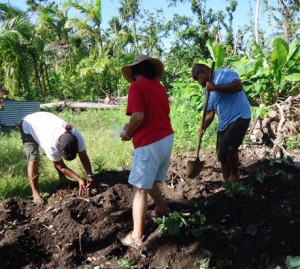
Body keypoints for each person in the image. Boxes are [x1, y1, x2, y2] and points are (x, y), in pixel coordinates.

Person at [119, 55, 174, 248]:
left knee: (139, 188)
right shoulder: (159, 88)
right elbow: (151, 114)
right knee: (149, 180)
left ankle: (136, 236)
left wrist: (127, 133)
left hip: (149, 142)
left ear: (135, 73)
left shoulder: (136, 86)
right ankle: (162, 207)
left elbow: (139, 116)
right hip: (166, 138)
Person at [192, 63, 251, 183]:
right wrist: (203, 126)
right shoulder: (207, 91)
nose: (200, 83)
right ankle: (227, 180)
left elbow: (238, 86)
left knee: (228, 145)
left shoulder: (225, 74)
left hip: (239, 116)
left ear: (203, 71)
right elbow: (210, 113)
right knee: (221, 154)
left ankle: (235, 175)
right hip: (224, 122)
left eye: (198, 79)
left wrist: (215, 88)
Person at [20, 111, 95, 203]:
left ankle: (63, 179)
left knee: (54, 157)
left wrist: (90, 175)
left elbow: (83, 157)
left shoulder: (77, 137)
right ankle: (35, 193)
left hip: (45, 121)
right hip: (29, 125)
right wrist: (79, 179)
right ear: (58, 147)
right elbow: (60, 165)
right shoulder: (49, 143)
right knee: (33, 160)